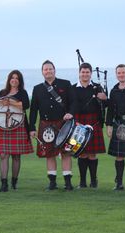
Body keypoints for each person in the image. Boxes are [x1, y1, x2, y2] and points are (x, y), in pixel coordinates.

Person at [29, 60, 77, 191]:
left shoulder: (65, 84)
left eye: (50, 69)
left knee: (66, 153)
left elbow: (74, 102)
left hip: (64, 124)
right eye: (45, 69)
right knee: (49, 154)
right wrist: (32, 127)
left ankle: (68, 182)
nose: (48, 71)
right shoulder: (37, 88)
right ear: (42, 72)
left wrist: (70, 113)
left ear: (54, 70)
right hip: (46, 125)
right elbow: (33, 109)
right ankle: (52, 182)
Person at [0, 70, 33, 192]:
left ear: (20, 81)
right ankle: (3, 183)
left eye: (17, 78)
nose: (14, 80)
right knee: (3, 155)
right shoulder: (3, 92)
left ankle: (14, 182)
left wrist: (10, 102)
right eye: (12, 77)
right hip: (4, 127)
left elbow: (25, 105)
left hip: (19, 126)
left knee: (16, 156)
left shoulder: (22, 92)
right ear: (9, 79)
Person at [73, 62, 107, 188]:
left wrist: (104, 98)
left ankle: (93, 181)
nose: (85, 74)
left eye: (87, 72)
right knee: (81, 153)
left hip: (94, 122)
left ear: (91, 73)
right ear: (79, 73)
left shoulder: (97, 87)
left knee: (92, 153)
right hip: (78, 123)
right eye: (83, 72)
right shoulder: (73, 88)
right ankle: (82, 182)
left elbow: (106, 105)